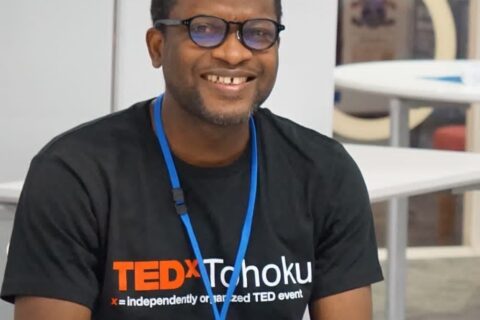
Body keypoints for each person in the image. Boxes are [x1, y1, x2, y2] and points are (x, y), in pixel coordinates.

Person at [1, 0, 383, 319]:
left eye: (259, 32)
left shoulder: (324, 172)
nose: (234, 53)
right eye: (204, 29)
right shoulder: (74, 175)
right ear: (157, 46)